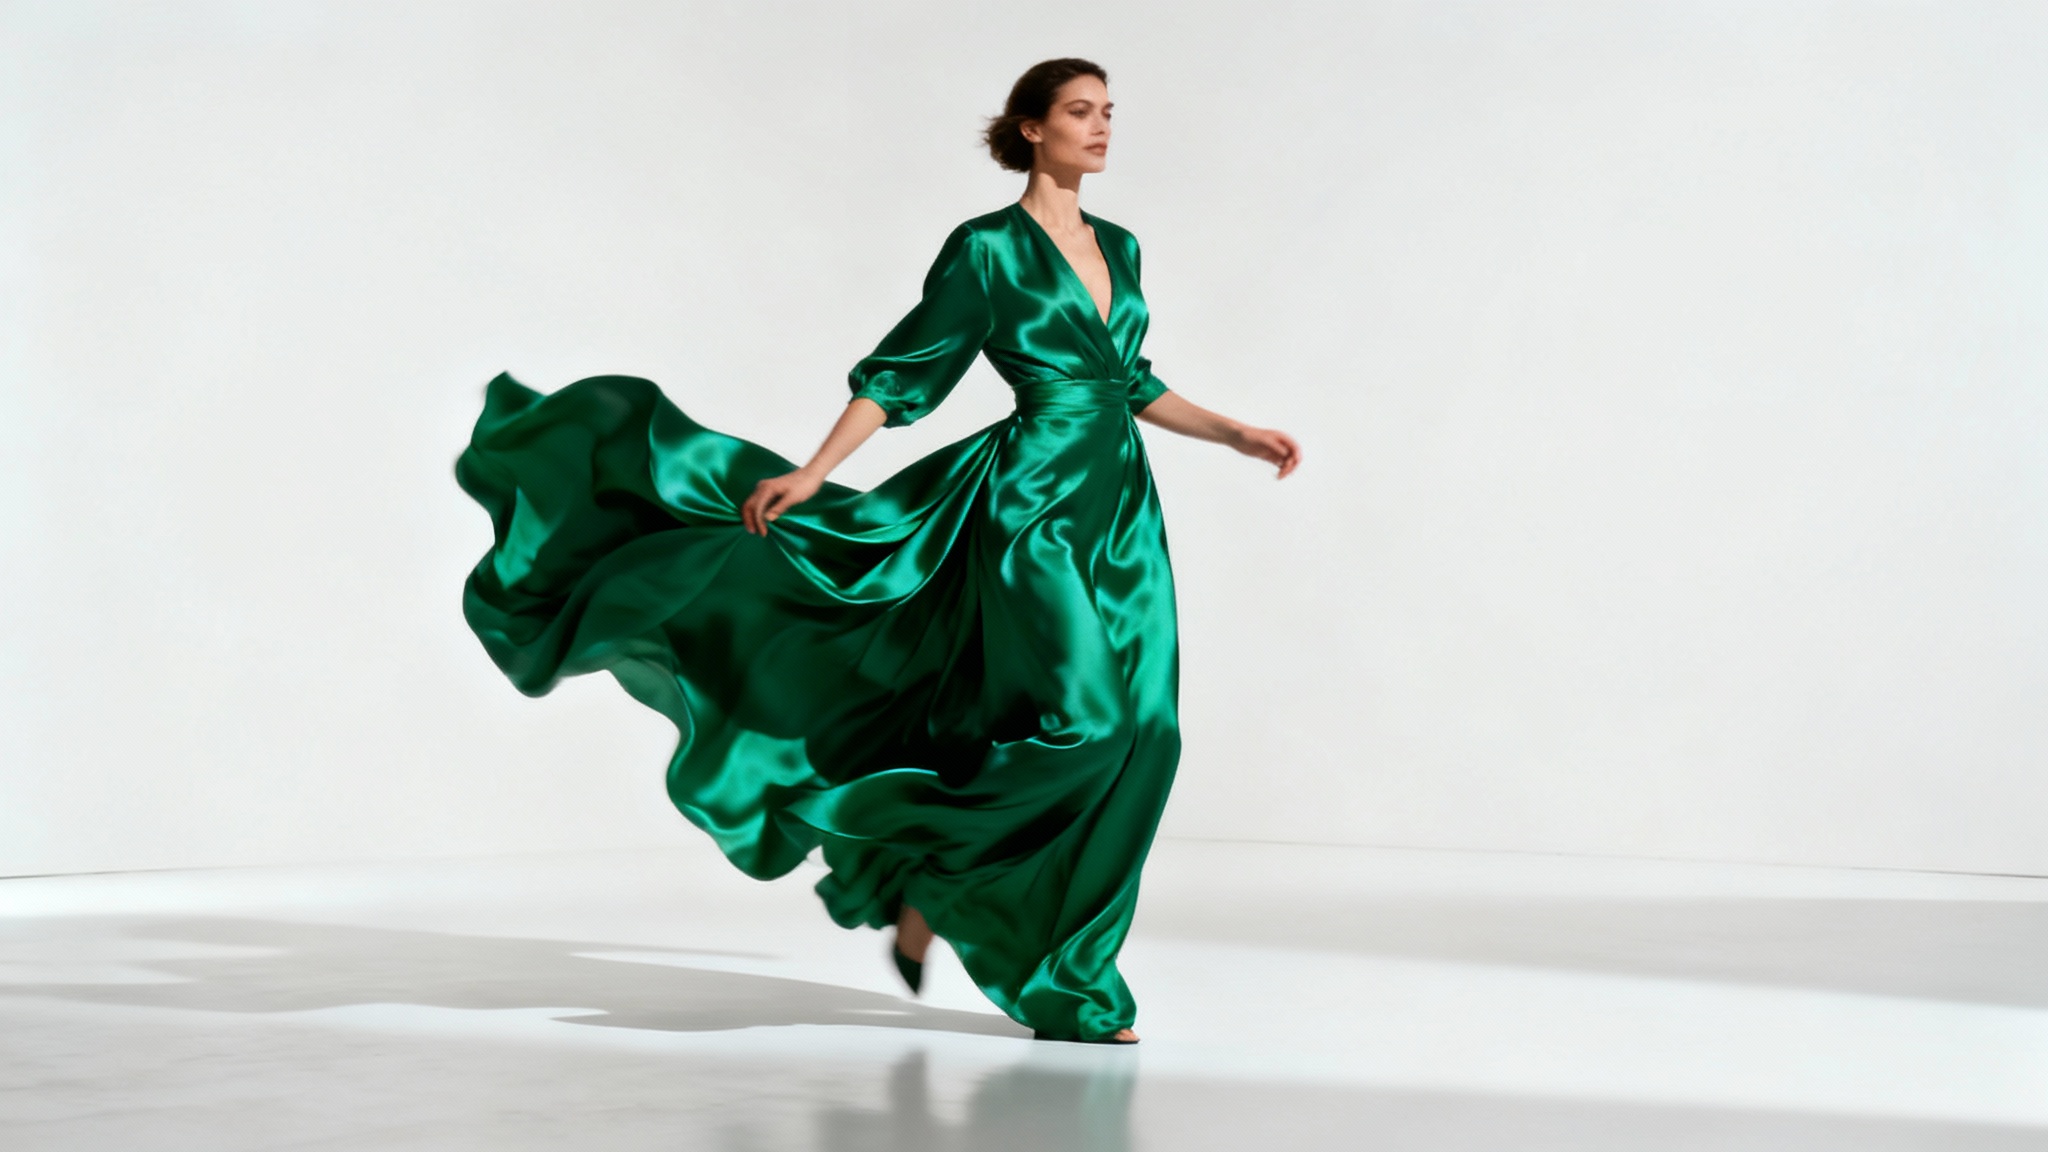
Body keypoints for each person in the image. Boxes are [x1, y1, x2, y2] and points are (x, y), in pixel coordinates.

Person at [457, 57, 1301, 1045]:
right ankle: (944, 883)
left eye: (1109, 112)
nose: (1102, 127)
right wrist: (814, 470)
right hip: (1026, 508)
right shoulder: (985, 250)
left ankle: (1025, 945)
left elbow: (1129, 378)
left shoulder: (1120, 244)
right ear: (1030, 128)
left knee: (1150, 738)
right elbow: (907, 367)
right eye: (1080, 111)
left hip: (1119, 510)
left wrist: (1233, 432)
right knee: (1094, 727)